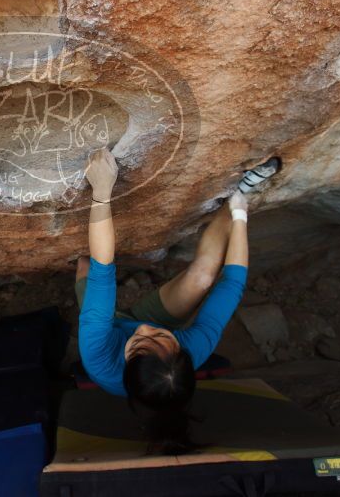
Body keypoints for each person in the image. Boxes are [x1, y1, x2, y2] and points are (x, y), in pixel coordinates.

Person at [76, 148, 279, 453]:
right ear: (181, 352)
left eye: (135, 344)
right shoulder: (192, 349)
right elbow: (231, 285)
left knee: (85, 266)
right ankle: (238, 194)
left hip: (108, 326)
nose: (142, 330)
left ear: (125, 362)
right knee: (202, 279)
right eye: (159, 335)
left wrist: (102, 191)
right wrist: (239, 216)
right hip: (138, 322)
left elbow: (103, 269)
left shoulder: (99, 356)